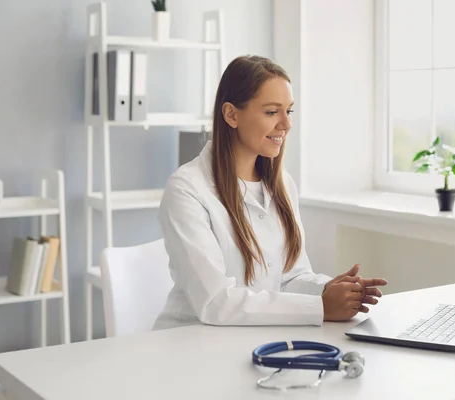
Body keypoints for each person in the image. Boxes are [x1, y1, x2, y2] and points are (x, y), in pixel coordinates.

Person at [153, 55, 387, 330]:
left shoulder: (283, 185)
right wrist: (320, 307)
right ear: (231, 114)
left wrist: (332, 291)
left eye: (289, 111)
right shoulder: (187, 189)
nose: (286, 125)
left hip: (256, 339)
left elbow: (289, 278)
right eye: (271, 112)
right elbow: (216, 302)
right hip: (190, 342)